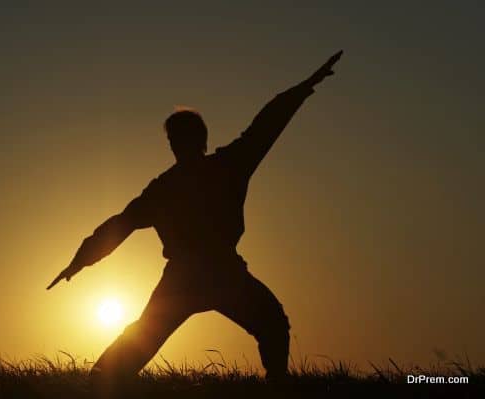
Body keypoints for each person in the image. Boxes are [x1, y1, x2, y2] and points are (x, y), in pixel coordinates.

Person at [47, 51, 343, 382]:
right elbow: (120, 225)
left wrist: (304, 88)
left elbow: (267, 124)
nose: (176, 145)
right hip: (202, 274)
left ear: (190, 141)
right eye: (174, 140)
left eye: (179, 139)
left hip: (208, 273)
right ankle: (98, 382)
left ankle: (97, 383)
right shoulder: (207, 174)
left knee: (265, 324)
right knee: (151, 337)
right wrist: (80, 260)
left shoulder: (209, 172)